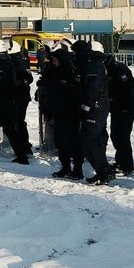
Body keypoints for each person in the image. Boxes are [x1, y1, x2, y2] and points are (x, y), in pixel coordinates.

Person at [74, 39, 111, 184]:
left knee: (88, 139)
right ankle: (103, 171)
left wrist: (87, 107)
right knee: (93, 139)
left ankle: (104, 172)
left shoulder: (93, 66)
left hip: (96, 108)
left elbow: (93, 89)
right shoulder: (90, 65)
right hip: (97, 106)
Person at [45, 42, 84, 179]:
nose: (53, 61)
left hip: (70, 112)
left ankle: (78, 169)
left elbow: (77, 92)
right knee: (60, 141)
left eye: (55, 59)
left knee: (72, 141)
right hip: (58, 111)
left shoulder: (70, 71)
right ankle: (65, 167)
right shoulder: (54, 71)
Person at [105, 55, 134, 176]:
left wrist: (113, 99)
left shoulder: (120, 70)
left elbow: (126, 88)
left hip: (126, 108)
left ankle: (127, 165)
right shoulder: (111, 70)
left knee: (122, 137)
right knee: (116, 135)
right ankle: (121, 161)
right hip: (117, 108)